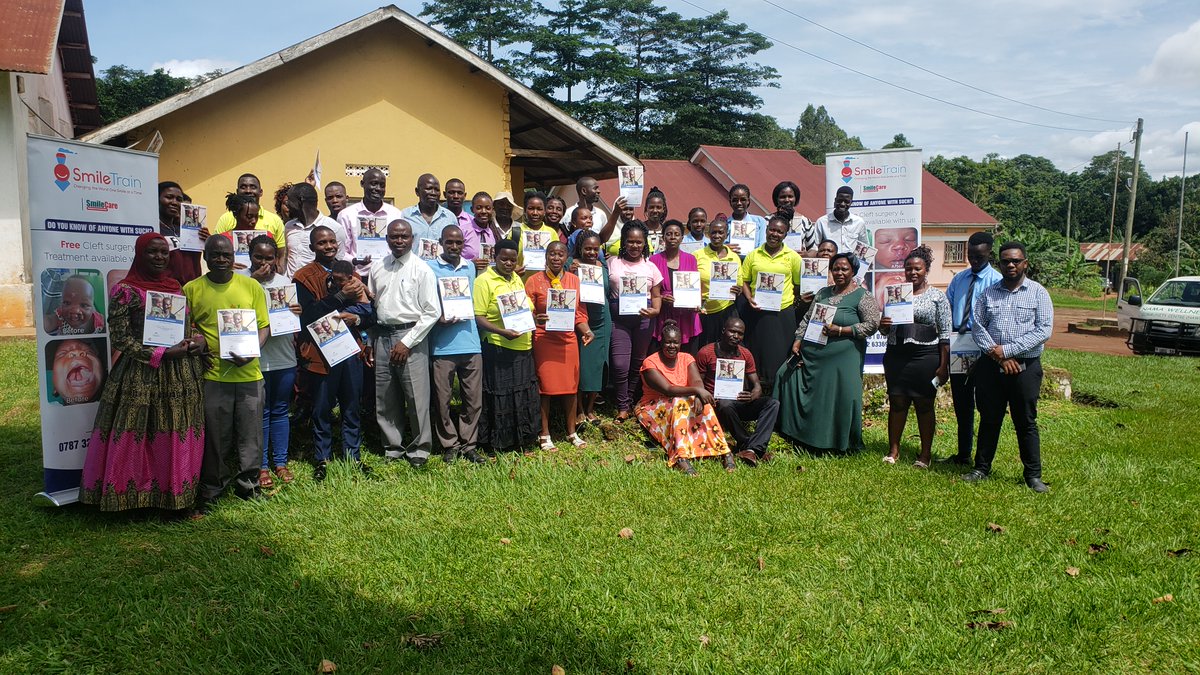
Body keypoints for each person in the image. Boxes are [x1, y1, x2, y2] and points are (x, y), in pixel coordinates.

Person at [79, 233, 208, 512]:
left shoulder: (175, 287)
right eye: (152, 252)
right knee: (139, 432)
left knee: (175, 433)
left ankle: (174, 497)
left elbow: (188, 325)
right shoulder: (125, 290)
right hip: (140, 375)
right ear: (140, 254)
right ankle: (131, 498)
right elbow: (121, 340)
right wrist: (160, 354)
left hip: (179, 375)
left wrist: (197, 340)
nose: (160, 257)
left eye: (164, 253)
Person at [183, 235, 270, 513]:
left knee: (250, 436)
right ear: (205, 257)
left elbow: (264, 327)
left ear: (235, 257)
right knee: (215, 437)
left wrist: (253, 348)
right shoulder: (191, 289)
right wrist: (197, 342)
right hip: (213, 376)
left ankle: (250, 486)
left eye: (226, 254)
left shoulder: (251, 286)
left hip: (249, 375)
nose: (221, 259)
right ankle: (212, 489)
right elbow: (185, 329)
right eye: (215, 254)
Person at [963, 241, 1054, 493]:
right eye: (1005, 261)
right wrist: (999, 356)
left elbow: (1044, 330)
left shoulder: (1038, 293)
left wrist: (1009, 350)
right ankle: (981, 468)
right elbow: (977, 326)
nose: (1010, 265)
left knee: (1025, 421)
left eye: (1016, 261)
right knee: (989, 419)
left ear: (1025, 263)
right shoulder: (988, 294)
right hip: (992, 367)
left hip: (1025, 368)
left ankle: (1033, 476)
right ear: (999, 263)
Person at [776, 252, 880, 453]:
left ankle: (841, 442)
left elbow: (872, 324)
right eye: (835, 269)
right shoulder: (823, 293)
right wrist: (798, 339)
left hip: (845, 356)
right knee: (784, 374)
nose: (839, 272)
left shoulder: (862, 296)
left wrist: (841, 331)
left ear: (853, 271)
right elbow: (807, 319)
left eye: (844, 269)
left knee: (843, 396)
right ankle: (799, 434)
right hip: (815, 352)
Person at [294, 227, 373, 481]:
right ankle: (322, 459)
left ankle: (353, 455)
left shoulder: (352, 273)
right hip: (320, 352)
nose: (328, 246)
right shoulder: (304, 277)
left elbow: (370, 313)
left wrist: (358, 319)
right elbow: (306, 316)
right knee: (322, 407)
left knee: (351, 405)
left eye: (331, 242)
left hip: (350, 349)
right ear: (312, 247)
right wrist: (340, 297)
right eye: (321, 243)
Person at [368, 219, 441, 467]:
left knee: (416, 397)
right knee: (385, 395)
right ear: (386, 239)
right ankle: (393, 447)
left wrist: (407, 342)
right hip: (382, 335)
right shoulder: (378, 268)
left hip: (411, 337)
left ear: (412, 239)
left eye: (404, 237)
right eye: (394, 236)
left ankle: (420, 449)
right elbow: (371, 305)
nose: (399, 241)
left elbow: (432, 312)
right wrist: (371, 337)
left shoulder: (422, 270)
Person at [878, 245, 951, 469]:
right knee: (897, 401)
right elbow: (884, 330)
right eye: (908, 268)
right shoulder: (895, 293)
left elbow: (945, 334)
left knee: (924, 404)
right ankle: (893, 450)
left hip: (925, 356)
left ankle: (925, 454)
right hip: (897, 354)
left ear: (926, 269)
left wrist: (943, 365)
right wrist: (883, 324)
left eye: (917, 268)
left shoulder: (937, 297)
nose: (913, 272)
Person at [638, 320, 735, 475]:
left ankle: (724, 451)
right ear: (661, 342)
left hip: (682, 400)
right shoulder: (650, 363)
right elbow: (668, 390)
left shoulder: (686, 358)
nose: (672, 346)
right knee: (678, 403)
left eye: (675, 342)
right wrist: (698, 391)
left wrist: (699, 395)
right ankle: (681, 456)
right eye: (668, 342)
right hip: (653, 405)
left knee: (706, 405)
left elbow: (696, 380)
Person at [427, 225, 487, 464]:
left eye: (458, 243)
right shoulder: (429, 268)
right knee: (442, 401)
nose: (454, 247)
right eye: (449, 242)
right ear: (441, 242)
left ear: (464, 244)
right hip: (441, 345)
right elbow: (426, 303)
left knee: (473, 400)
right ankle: (449, 444)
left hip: (470, 342)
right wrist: (438, 317)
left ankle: (469, 444)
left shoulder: (470, 267)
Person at [473, 239, 540, 451]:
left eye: (513, 259)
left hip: (522, 345)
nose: (509, 263)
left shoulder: (516, 280)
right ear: (495, 257)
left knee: (521, 395)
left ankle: (522, 440)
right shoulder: (484, 281)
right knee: (500, 396)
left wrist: (537, 319)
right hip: (498, 346)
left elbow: (525, 310)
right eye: (504, 259)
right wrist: (502, 332)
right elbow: (478, 316)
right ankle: (498, 444)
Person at [941, 231, 1002, 465]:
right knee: (961, 402)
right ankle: (963, 453)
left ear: (989, 254)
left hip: (984, 345)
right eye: (970, 255)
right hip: (959, 341)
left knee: (985, 403)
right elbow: (948, 307)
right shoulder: (960, 279)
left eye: (979, 256)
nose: (974, 260)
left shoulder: (996, 281)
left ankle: (982, 458)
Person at [525, 241, 593, 448]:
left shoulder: (574, 280)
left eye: (560, 254)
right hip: (544, 338)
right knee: (545, 388)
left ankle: (571, 432)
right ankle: (544, 434)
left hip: (568, 339)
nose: (556, 258)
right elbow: (526, 311)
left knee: (570, 387)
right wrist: (536, 317)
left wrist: (587, 331)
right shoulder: (533, 281)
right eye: (552, 254)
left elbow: (579, 313)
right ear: (545, 256)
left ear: (566, 257)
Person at [247, 235, 299, 486]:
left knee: (280, 410)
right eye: (259, 257)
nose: (264, 263)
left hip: (283, 357)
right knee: (261, 413)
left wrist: (296, 312)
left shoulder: (285, 283)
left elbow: (293, 318)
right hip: (254, 359)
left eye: (270, 258)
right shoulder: (242, 282)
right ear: (249, 256)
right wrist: (253, 282)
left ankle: (280, 462)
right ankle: (262, 465)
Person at [695, 316, 780, 466]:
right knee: (726, 404)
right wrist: (702, 395)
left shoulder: (745, 354)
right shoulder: (706, 352)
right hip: (717, 405)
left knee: (773, 403)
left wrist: (755, 393)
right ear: (723, 331)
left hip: (739, 401)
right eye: (732, 331)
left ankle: (753, 449)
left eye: (740, 333)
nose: (736, 336)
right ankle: (749, 446)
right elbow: (697, 382)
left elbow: (757, 385)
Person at [739, 216, 803, 394]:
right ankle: (758, 396)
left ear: (785, 234)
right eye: (772, 230)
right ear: (766, 230)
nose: (775, 234)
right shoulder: (754, 254)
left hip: (782, 313)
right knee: (757, 354)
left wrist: (787, 299)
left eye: (779, 231)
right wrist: (749, 297)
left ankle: (779, 398)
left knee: (780, 356)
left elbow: (798, 284)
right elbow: (744, 280)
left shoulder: (793, 257)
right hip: (757, 312)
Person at [607, 221, 663, 423]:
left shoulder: (651, 267)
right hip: (618, 320)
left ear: (644, 243)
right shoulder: (612, 262)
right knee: (620, 363)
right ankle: (622, 405)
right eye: (630, 241)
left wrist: (655, 310)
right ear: (623, 242)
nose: (634, 246)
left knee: (637, 363)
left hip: (643, 320)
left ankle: (628, 401)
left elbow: (656, 295)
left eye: (639, 242)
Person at [572, 232, 611, 425]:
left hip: (602, 318)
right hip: (580, 319)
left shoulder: (602, 266)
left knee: (597, 364)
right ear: (580, 247)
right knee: (580, 365)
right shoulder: (572, 263)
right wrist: (570, 272)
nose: (592, 252)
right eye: (588, 248)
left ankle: (590, 409)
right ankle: (578, 410)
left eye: (596, 249)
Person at [337, 168, 404, 275]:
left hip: (389, 274)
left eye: (382, 185)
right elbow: (341, 251)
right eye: (373, 184)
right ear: (362, 184)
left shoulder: (396, 214)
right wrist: (355, 260)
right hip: (359, 277)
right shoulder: (347, 215)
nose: (378, 189)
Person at [649, 220, 701, 352]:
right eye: (669, 234)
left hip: (686, 315)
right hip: (663, 314)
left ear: (682, 238)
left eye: (676, 234)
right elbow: (649, 289)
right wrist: (661, 297)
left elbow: (694, 285)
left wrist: (696, 302)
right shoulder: (653, 260)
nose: (673, 237)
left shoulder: (691, 259)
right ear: (663, 237)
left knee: (686, 354)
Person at [694, 218, 742, 348]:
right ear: (708, 234)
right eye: (713, 232)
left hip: (726, 310)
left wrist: (738, 289)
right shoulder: (697, 255)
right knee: (704, 348)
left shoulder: (734, 257)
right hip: (704, 311)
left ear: (726, 234)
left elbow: (740, 284)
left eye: (720, 232)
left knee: (725, 348)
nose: (717, 236)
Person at [211, 174, 287, 257]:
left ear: (260, 192)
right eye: (243, 187)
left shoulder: (274, 221)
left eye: (253, 187)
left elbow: (280, 254)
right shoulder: (225, 219)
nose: (248, 191)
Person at [286, 182, 344, 277]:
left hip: (318, 288)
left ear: (300, 201)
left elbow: (339, 260)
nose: (287, 204)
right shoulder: (289, 226)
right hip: (291, 288)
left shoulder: (334, 228)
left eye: (290, 200)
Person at [158, 181, 202, 285]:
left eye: (179, 199)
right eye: (169, 197)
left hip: (192, 290)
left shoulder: (188, 230)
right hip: (167, 291)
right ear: (157, 199)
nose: (174, 202)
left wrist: (206, 241)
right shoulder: (153, 229)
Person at [402, 173, 459, 243]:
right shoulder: (405, 216)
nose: (433, 193)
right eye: (429, 188)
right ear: (417, 191)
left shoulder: (450, 218)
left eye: (437, 190)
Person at [815, 186, 869, 253]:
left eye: (846, 201)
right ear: (835, 200)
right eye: (839, 201)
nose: (842, 204)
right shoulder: (822, 222)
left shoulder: (859, 222)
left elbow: (865, 247)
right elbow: (816, 247)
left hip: (851, 262)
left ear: (851, 203)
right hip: (830, 262)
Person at [773, 180, 818, 254]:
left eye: (790, 196)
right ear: (776, 199)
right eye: (782, 197)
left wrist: (806, 254)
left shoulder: (805, 221)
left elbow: (813, 250)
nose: (787, 200)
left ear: (795, 198)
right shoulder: (767, 220)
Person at [727, 184, 768, 254]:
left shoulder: (760, 222)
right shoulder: (724, 224)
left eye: (743, 200)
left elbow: (762, 245)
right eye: (735, 200)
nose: (739, 203)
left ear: (748, 201)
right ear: (730, 202)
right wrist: (726, 248)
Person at [462, 191, 499, 267]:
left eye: (488, 208)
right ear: (472, 209)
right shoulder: (463, 231)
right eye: (479, 208)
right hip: (468, 274)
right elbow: (453, 257)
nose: (483, 211)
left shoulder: (494, 232)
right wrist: (470, 263)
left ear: (492, 210)